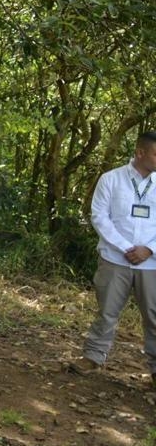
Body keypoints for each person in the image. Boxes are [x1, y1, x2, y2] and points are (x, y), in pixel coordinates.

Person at [72, 130, 156, 388]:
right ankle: (93, 357)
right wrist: (126, 247)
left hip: (151, 263)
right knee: (107, 312)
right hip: (114, 259)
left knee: (154, 316)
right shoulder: (111, 179)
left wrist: (149, 249)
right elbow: (99, 217)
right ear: (140, 153)